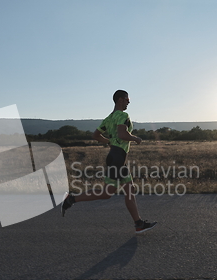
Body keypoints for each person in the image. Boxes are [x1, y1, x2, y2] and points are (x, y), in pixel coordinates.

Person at [61, 90, 157, 234]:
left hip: (117, 158)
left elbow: (96, 135)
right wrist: (135, 138)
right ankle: (71, 199)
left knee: (129, 191)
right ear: (119, 100)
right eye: (127, 99)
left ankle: (138, 224)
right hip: (117, 159)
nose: (128, 102)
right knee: (106, 193)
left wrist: (109, 141)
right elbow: (123, 134)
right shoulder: (123, 115)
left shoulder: (109, 118)